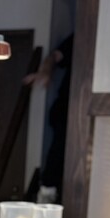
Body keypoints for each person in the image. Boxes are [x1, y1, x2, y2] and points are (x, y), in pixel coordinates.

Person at [24, 33, 74, 203]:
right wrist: (45, 71)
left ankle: (50, 190)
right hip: (67, 105)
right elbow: (55, 56)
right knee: (60, 144)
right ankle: (47, 190)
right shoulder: (81, 37)